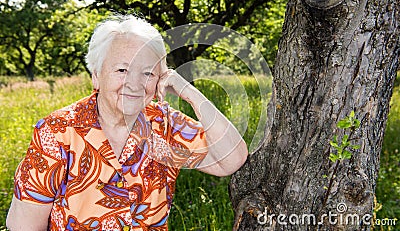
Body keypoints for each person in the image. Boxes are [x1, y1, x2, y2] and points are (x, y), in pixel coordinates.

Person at [6, 14, 248, 230]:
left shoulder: (165, 125)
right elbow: (23, 225)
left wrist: (188, 92)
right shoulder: (57, 132)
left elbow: (230, 160)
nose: (134, 84)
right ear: (97, 77)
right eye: (122, 70)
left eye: (147, 73)